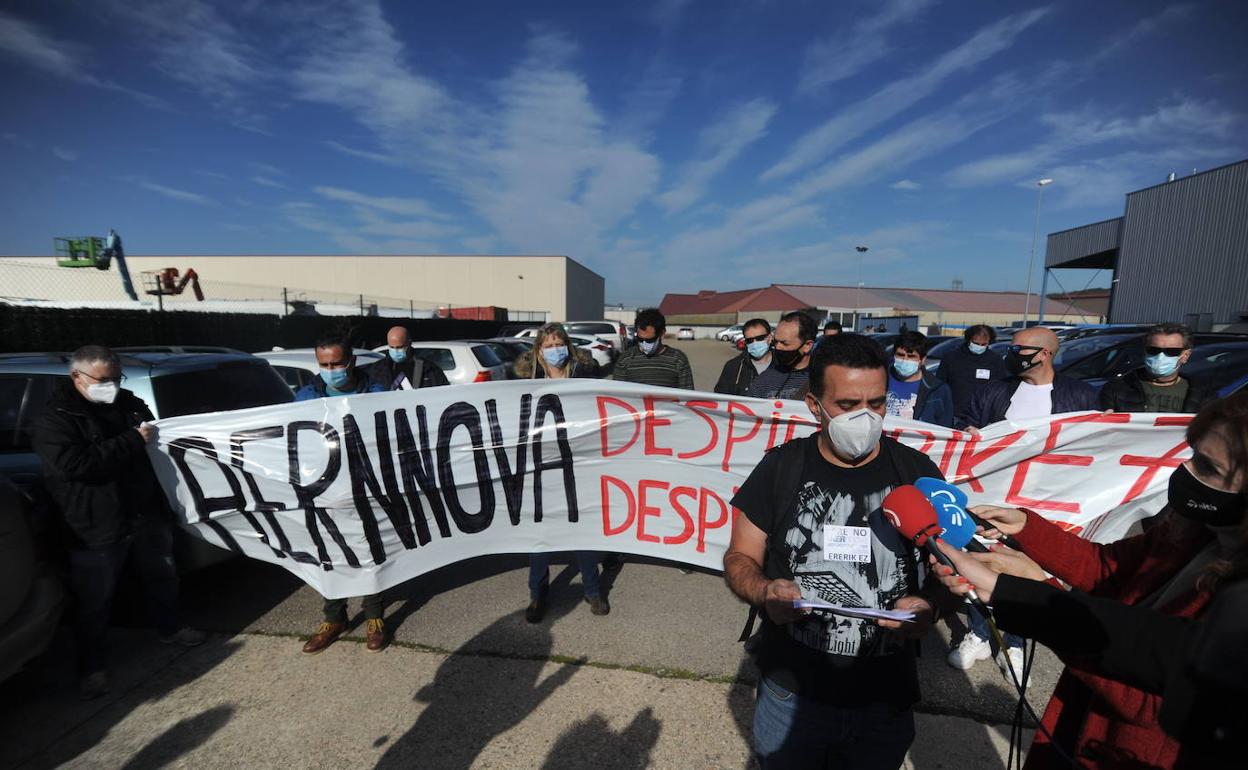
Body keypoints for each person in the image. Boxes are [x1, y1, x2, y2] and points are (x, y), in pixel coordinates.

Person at [930, 391, 1248, 770]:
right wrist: (1028, 528)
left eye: (1209, 468)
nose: (1187, 472)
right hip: (1079, 725)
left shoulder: (1239, 601)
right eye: (1192, 455)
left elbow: (1150, 700)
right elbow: (1106, 568)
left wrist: (1037, 594)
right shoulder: (1190, 531)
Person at [724, 334, 956, 770]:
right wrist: (766, 592)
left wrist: (931, 607)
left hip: (885, 699)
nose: (865, 417)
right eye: (848, 405)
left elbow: (953, 574)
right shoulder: (780, 468)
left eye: (877, 403)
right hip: (792, 695)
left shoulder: (918, 473)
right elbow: (739, 559)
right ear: (815, 406)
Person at [33, 345, 204, 699]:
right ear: (77, 377)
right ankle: (91, 667)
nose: (111, 386)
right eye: (103, 380)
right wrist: (131, 440)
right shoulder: (55, 418)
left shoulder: (129, 403)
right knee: (95, 600)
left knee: (162, 576)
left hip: (143, 513)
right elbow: (73, 465)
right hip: (94, 525)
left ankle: (171, 628)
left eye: (117, 378)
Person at [951, 327, 1099, 677]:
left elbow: (1094, 444)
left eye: (1019, 349)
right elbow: (964, 423)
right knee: (982, 558)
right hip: (996, 494)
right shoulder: (994, 391)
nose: (1011, 354)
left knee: (1027, 569)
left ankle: (1014, 642)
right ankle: (979, 632)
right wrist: (967, 432)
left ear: (1044, 354)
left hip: (1046, 499)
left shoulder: (1080, 395)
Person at [295, 338, 389, 654]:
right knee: (330, 552)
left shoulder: (376, 394)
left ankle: (374, 617)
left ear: (351, 362)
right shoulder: (305, 398)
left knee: (370, 550)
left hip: (366, 486)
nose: (331, 370)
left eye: (336, 363)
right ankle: (334, 619)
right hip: (325, 489)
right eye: (324, 364)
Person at [513, 323, 609, 620]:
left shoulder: (584, 375)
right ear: (539, 351)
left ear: (567, 345)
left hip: (580, 462)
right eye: (548, 345)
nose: (555, 349)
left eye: (559, 343)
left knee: (582, 529)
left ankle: (592, 590)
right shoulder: (526, 381)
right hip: (541, 465)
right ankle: (537, 594)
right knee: (541, 533)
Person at [1099, 323, 1213, 414]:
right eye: (1154, 350)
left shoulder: (1202, 393)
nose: (1160, 356)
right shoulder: (1117, 389)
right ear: (1145, 351)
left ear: (1186, 355)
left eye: (1172, 351)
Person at [936, 325, 1007, 422]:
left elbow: (1001, 387)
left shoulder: (995, 360)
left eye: (983, 344)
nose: (980, 347)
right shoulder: (951, 358)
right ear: (968, 340)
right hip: (955, 413)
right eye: (976, 343)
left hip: (983, 415)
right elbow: (940, 384)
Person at [612, 308, 694, 390]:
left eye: (649, 340)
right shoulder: (625, 358)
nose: (644, 343)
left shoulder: (678, 359)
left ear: (662, 334)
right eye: (640, 339)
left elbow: (688, 393)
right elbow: (616, 392)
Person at [885, 331, 954, 427]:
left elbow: (946, 426)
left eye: (911, 356)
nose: (905, 360)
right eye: (900, 355)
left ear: (923, 360)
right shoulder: (881, 380)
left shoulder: (938, 389)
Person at [747, 311, 816, 400]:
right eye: (776, 342)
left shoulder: (825, 379)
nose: (778, 347)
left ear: (807, 346)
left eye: (784, 343)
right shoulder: (764, 380)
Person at [369, 325, 450, 391]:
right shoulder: (378, 369)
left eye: (400, 347)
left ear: (409, 343)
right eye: (392, 347)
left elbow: (444, 394)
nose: (396, 351)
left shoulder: (429, 369)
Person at [715, 318, 772, 396]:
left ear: (770, 338)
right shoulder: (733, 366)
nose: (755, 343)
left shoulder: (783, 365)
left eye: (759, 338)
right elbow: (720, 397)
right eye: (750, 340)